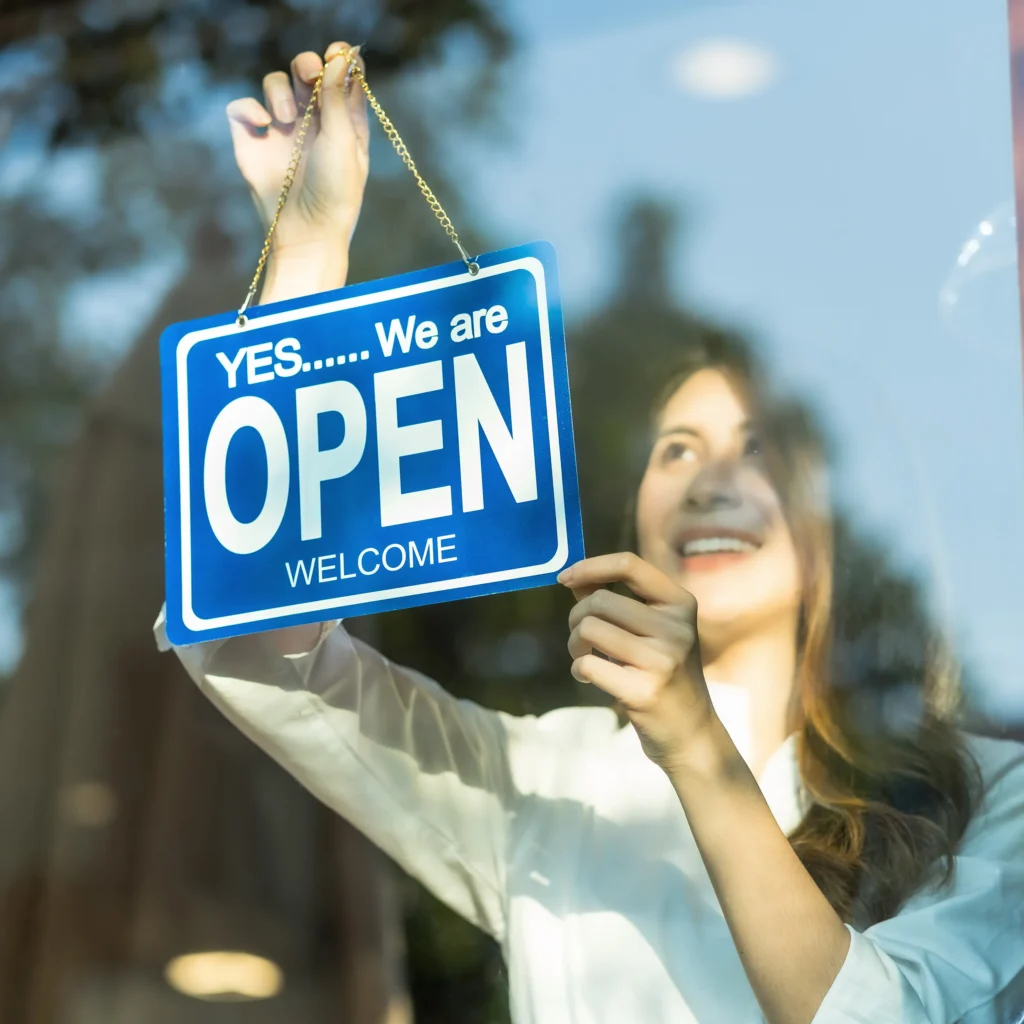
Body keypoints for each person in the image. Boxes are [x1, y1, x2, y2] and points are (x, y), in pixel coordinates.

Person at [157, 43, 1024, 1024]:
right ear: (636, 526)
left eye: (758, 447)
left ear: (835, 526)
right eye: (677, 451)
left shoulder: (996, 791)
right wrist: (309, 250)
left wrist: (694, 743)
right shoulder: (548, 778)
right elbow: (251, 642)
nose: (713, 482)